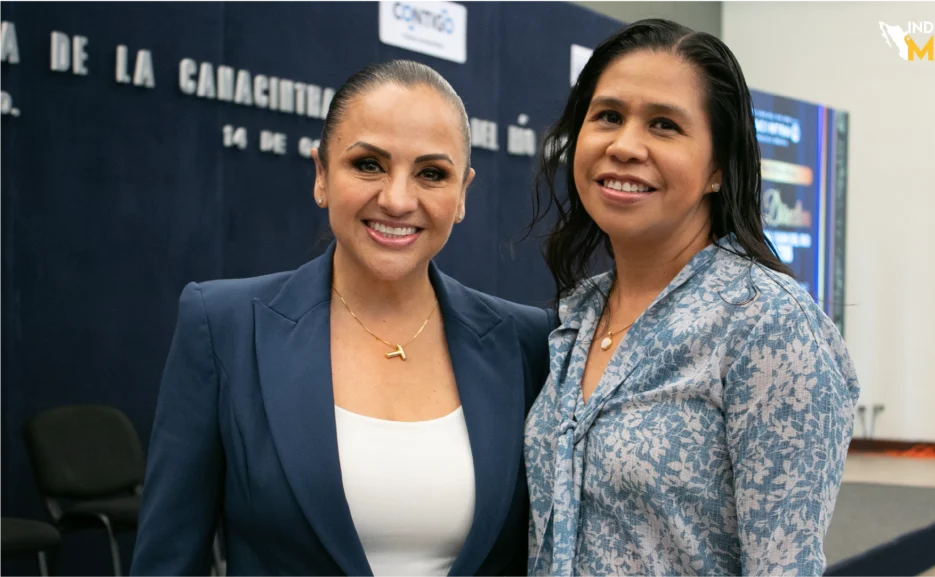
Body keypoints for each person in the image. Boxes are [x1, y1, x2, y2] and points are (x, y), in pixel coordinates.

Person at [131, 60, 556, 577]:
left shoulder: (528, 343)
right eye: (369, 165)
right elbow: (168, 559)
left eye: (431, 173)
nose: (398, 199)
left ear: (462, 193)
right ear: (321, 175)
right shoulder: (223, 326)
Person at [524, 19, 860, 577]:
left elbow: (784, 566)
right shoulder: (578, 316)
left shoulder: (765, 321)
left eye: (664, 125)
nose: (625, 145)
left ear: (718, 170)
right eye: (608, 116)